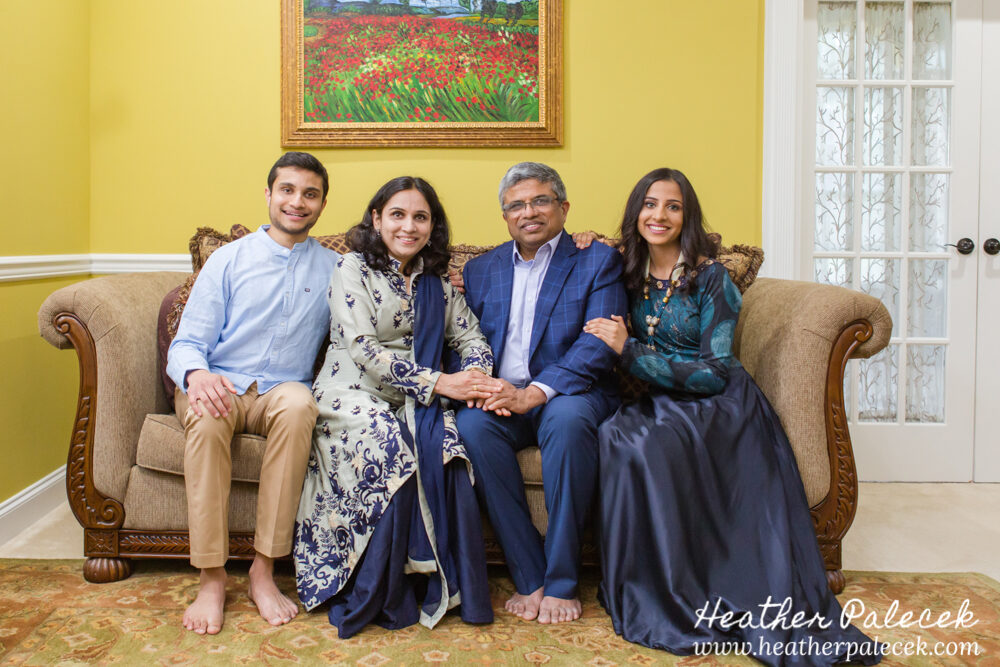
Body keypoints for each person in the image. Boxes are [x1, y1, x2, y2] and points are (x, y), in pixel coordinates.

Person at [582, 168, 880, 665]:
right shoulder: (624, 269)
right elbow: (576, 258)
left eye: (673, 206)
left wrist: (629, 352)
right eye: (650, 205)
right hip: (659, 398)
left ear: (687, 215)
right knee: (616, 435)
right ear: (636, 213)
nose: (659, 216)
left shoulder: (711, 278)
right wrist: (584, 239)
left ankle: (695, 592)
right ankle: (646, 588)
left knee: (650, 444)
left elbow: (716, 371)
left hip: (717, 403)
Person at [293, 176, 501, 637]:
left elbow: (470, 337)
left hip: (414, 395)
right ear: (377, 218)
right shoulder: (352, 268)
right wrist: (444, 382)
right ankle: (378, 587)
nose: (409, 226)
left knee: (448, 444)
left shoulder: (436, 282)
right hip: (350, 390)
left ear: (432, 226)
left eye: (420, 217)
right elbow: (364, 351)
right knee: (389, 441)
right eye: (398, 215)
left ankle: (438, 579)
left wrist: (477, 380)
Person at [166, 151, 340, 635]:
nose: (297, 202)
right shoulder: (227, 259)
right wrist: (197, 376)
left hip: (284, 389)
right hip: (219, 379)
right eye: (287, 190)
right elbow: (187, 344)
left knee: (301, 405)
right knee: (204, 415)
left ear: (322, 204)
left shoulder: (336, 268)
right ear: (268, 195)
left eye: (310, 194)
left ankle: (264, 570)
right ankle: (212, 577)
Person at [456, 162, 628, 624]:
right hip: (503, 394)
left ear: (563, 207)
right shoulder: (479, 269)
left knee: (567, 421)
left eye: (540, 201)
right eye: (516, 205)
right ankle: (530, 573)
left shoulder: (598, 259)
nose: (528, 212)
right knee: (470, 424)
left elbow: (598, 344)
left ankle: (564, 580)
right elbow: (464, 337)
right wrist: (481, 384)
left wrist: (535, 392)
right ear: (505, 216)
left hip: (573, 391)